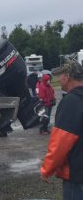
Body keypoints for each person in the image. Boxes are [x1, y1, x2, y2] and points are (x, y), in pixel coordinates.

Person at [40, 60, 83, 200]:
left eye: (60, 75)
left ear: (67, 76)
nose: (58, 79)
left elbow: (61, 143)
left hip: (77, 176)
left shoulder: (71, 101)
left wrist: (47, 169)